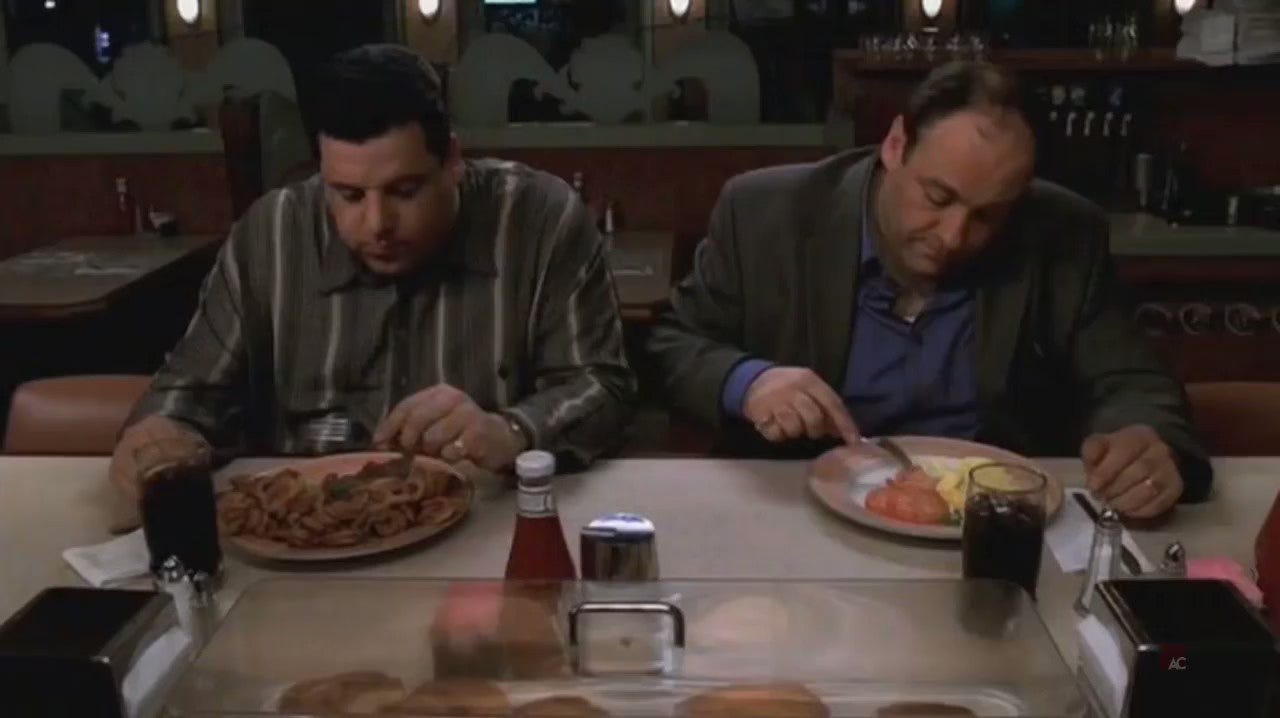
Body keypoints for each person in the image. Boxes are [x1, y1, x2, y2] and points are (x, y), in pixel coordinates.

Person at [647, 61, 1211, 518]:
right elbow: (672, 344)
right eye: (937, 198)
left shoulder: (1065, 231)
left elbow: (1134, 383)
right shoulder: (765, 212)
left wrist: (1147, 443)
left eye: (988, 216)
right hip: (802, 517)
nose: (953, 236)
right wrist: (750, 381)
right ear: (896, 145)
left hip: (992, 529)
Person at [110, 44, 635, 497]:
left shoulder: (538, 220)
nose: (377, 223)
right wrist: (163, 435)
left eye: (404, 191)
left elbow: (603, 386)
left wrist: (512, 431)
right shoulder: (272, 233)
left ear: (452, 159)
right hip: (302, 535)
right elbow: (189, 393)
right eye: (348, 195)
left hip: (479, 521)